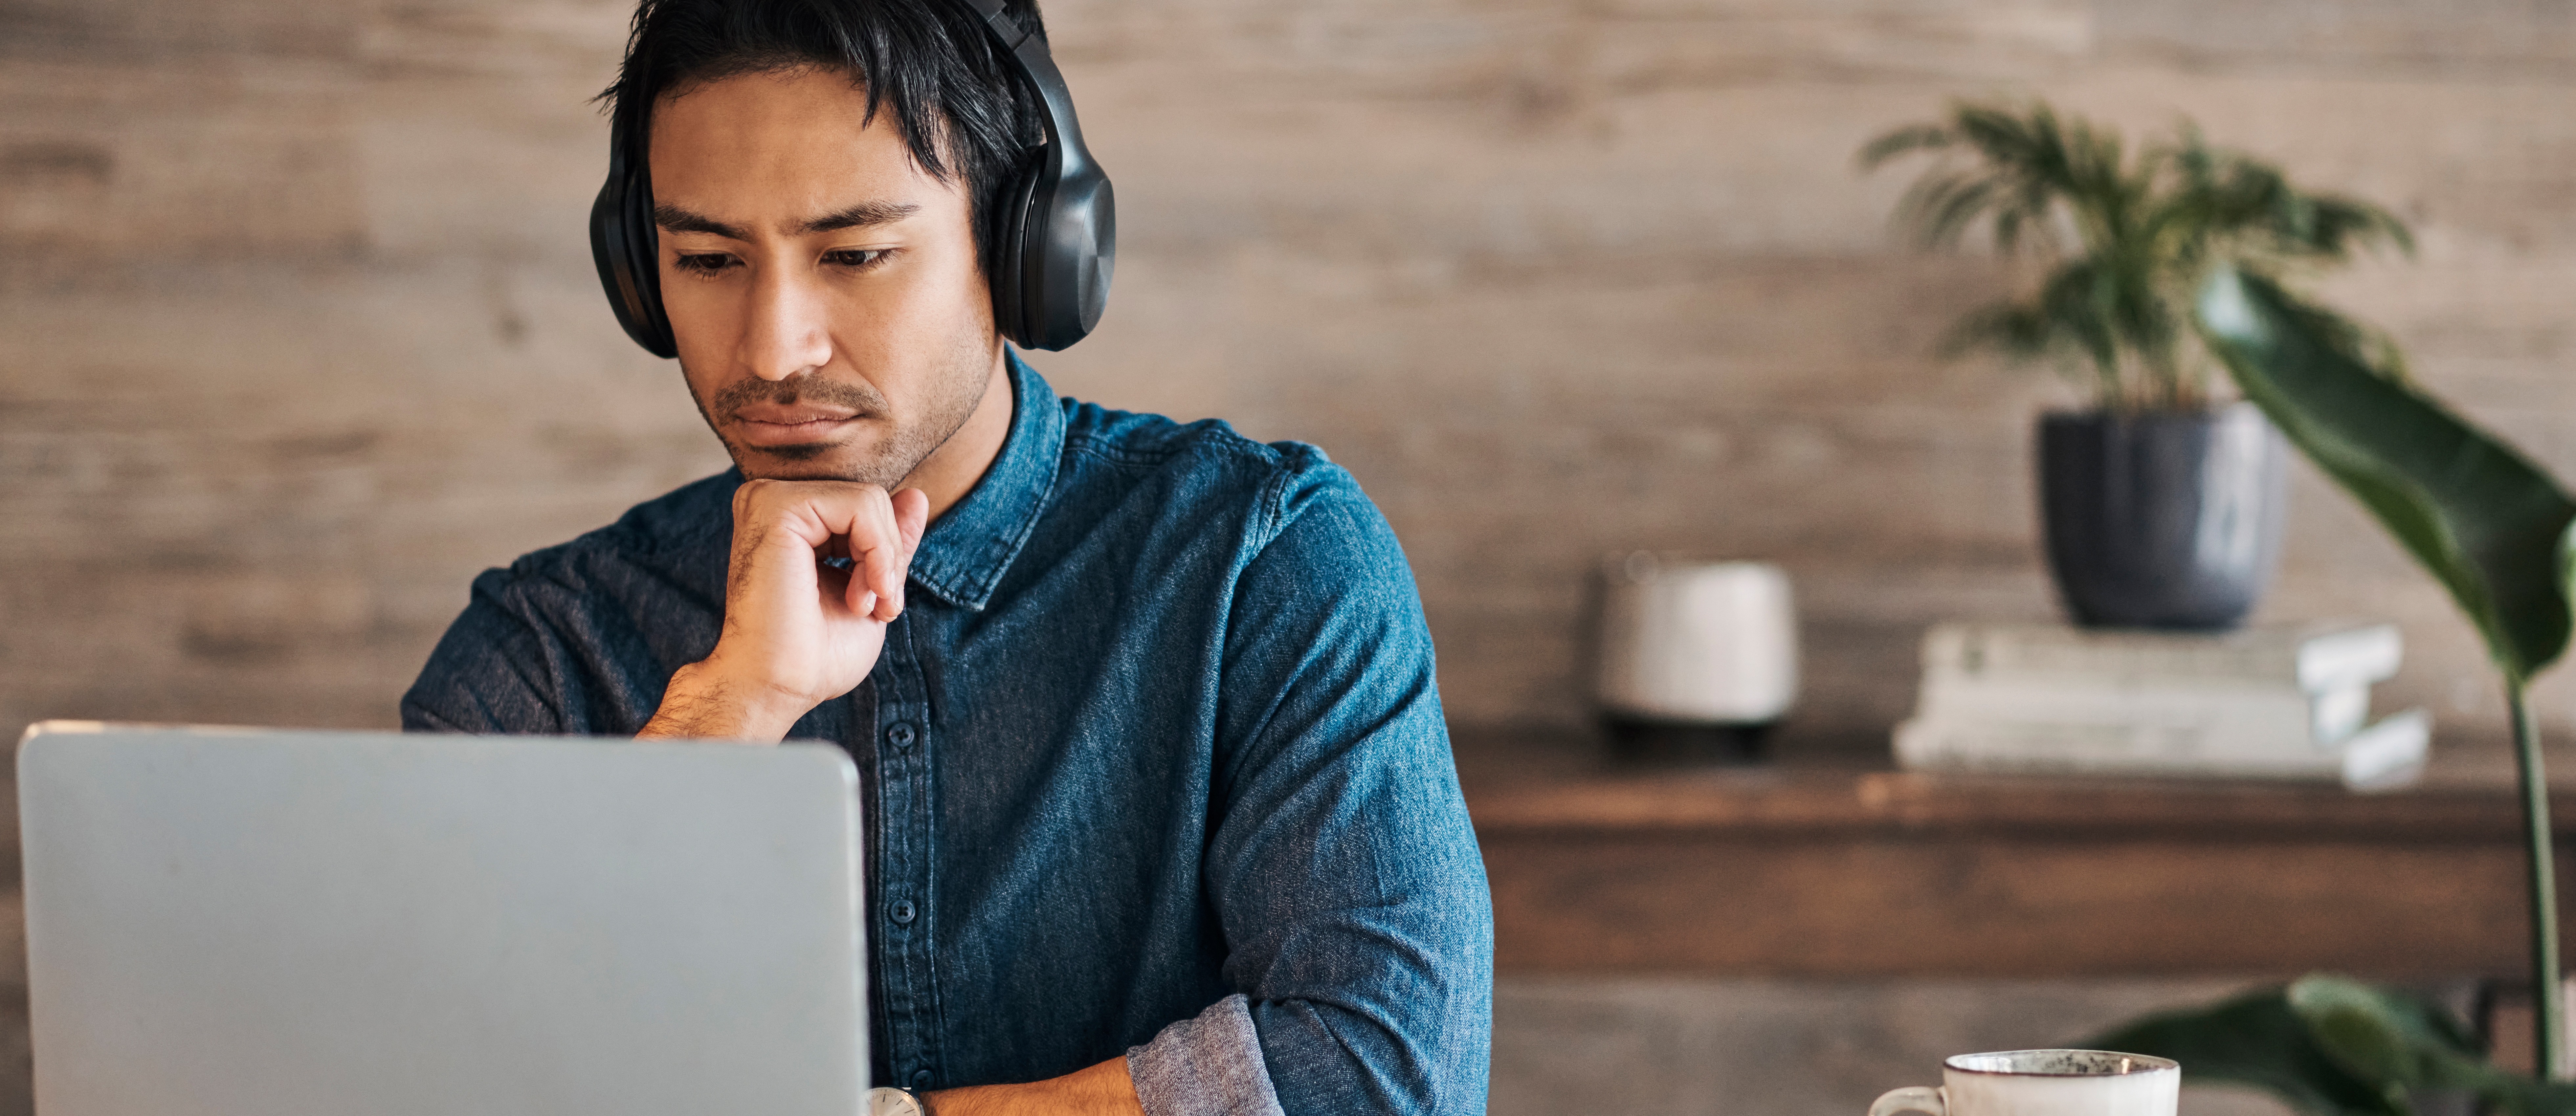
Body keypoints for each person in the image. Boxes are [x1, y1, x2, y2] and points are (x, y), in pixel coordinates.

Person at [398, 1, 1493, 1113]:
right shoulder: (540, 646)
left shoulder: (1261, 558)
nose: (775, 348)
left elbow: (1385, 1077)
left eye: (857, 252)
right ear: (640, 275)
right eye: (709, 258)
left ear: (1031, 246)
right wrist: (727, 714)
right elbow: (431, 1072)